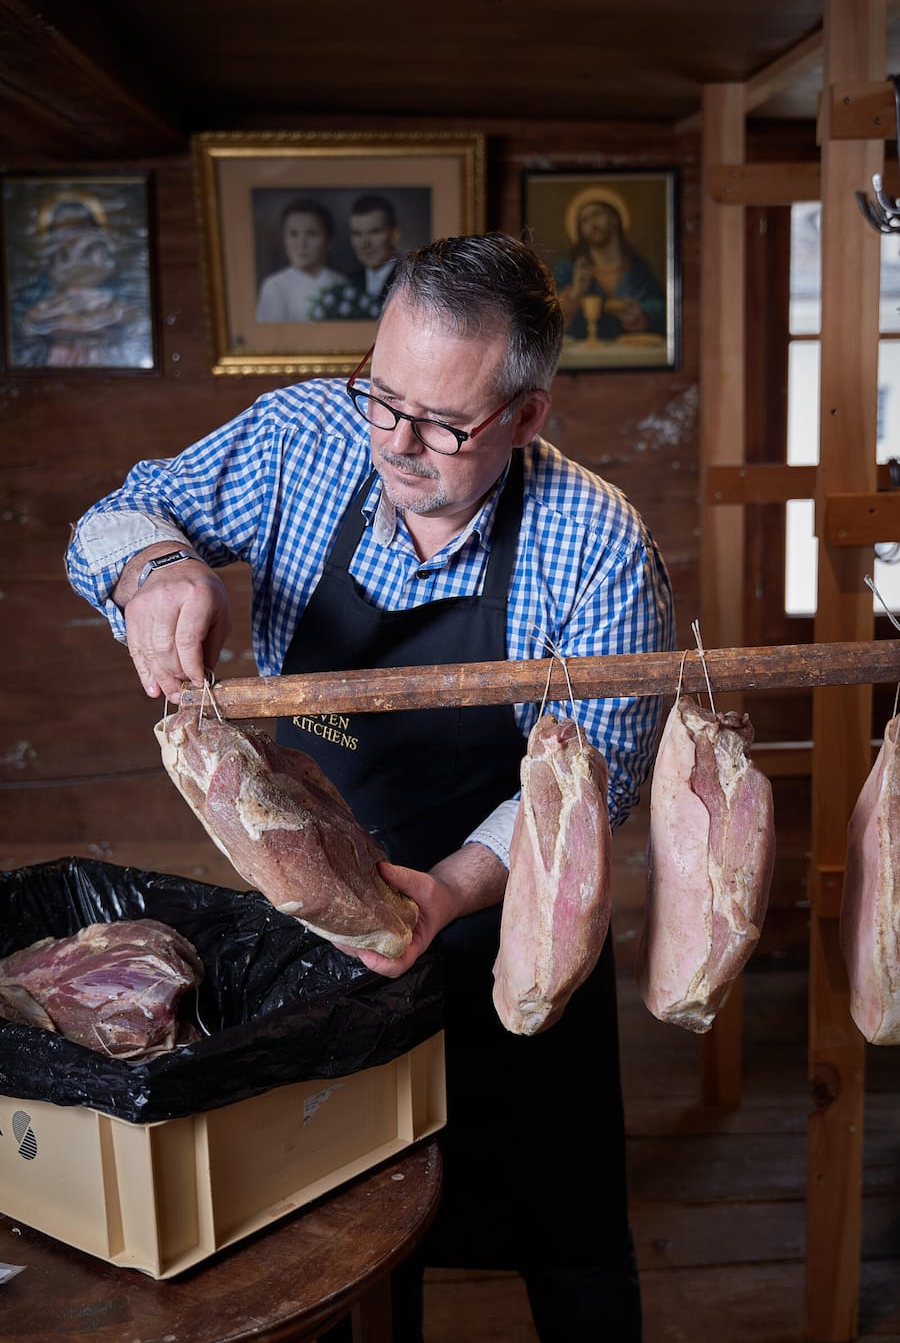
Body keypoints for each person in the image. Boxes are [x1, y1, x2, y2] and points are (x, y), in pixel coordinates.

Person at [66, 232, 675, 1342]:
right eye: (381, 397)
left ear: (529, 415)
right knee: (343, 1224)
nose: (396, 442)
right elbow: (122, 509)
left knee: (571, 1231)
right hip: (323, 920)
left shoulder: (599, 544)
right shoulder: (304, 434)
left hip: (515, 919)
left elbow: (594, 779)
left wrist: (444, 889)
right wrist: (157, 566)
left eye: (443, 424)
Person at [13, 192, 142, 368]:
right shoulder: (48, 275)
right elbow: (21, 325)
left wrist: (113, 314)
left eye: (78, 227)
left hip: (111, 361)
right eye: (61, 230)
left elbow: (139, 322)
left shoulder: (114, 274)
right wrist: (35, 319)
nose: (71, 237)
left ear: (94, 229)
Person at [554, 186, 667, 342]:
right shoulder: (567, 268)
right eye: (584, 221)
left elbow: (662, 308)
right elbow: (548, 318)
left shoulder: (638, 269)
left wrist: (642, 316)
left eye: (597, 214)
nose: (591, 224)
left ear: (614, 219)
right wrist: (575, 292)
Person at [310, 193, 401, 321]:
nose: (365, 243)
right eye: (357, 234)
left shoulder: (409, 279)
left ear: (394, 235)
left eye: (375, 232)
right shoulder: (346, 282)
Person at [255, 197, 344, 322]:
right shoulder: (274, 286)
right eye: (293, 234)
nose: (301, 244)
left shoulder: (341, 284)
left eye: (312, 234)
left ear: (328, 240)